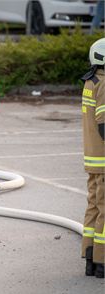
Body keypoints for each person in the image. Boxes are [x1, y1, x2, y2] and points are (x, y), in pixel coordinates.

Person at [80, 37, 105, 279]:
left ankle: (89, 256)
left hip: (93, 159)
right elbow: (104, 125)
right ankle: (101, 262)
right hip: (104, 160)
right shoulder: (104, 84)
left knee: (93, 208)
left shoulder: (90, 82)